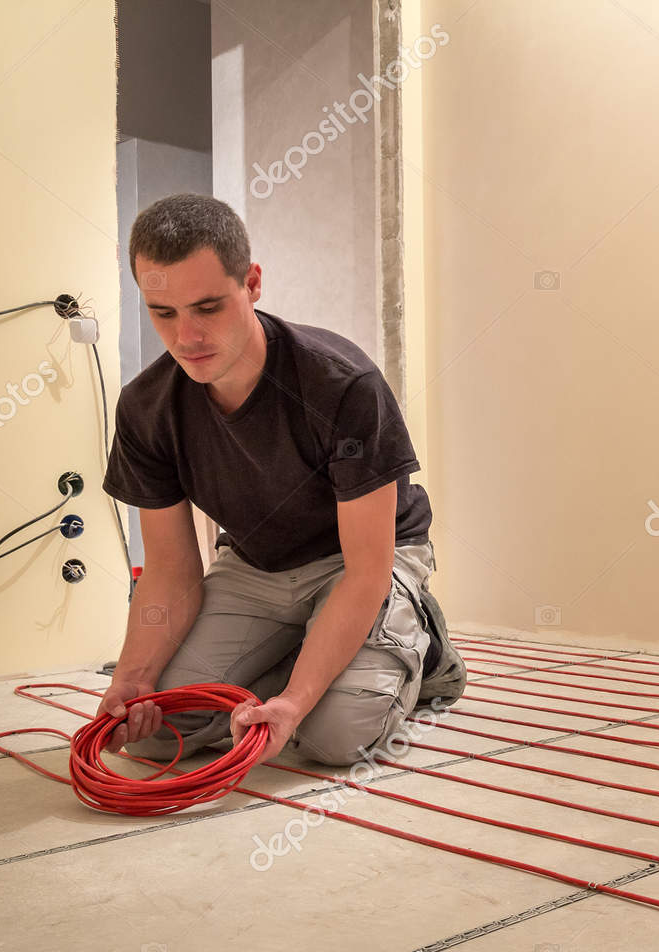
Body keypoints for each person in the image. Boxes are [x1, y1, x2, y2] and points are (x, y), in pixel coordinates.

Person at [95, 193, 464, 767]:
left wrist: (294, 701)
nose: (187, 336)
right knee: (152, 730)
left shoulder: (342, 384)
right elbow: (170, 568)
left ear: (253, 283)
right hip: (253, 567)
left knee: (332, 737)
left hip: (358, 563)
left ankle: (429, 651)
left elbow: (367, 569)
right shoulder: (146, 408)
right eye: (163, 313)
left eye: (208, 307)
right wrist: (131, 679)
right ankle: (305, 647)